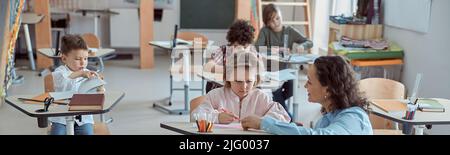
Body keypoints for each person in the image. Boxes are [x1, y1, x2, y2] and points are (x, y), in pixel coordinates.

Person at [241, 56, 373, 135]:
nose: (305, 86)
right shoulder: (326, 119)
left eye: (309, 82)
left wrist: (265, 123)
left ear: (328, 90)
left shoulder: (354, 117)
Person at [193, 51, 290, 124]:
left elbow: (284, 117)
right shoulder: (216, 95)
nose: (244, 87)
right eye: (238, 81)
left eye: (249, 81)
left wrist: (261, 121)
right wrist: (217, 117)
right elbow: (195, 116)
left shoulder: (261, 97)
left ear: (256, 79)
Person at [254, 4, 314, 113]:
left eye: (277, 18)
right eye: (271, 21)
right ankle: (289, 119)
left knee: (292, 89)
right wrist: (275, 50)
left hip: (286, 71)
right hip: (270, 71)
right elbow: (257, 48)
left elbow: (309, 42)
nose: (276, 22)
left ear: (281, 16)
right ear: (266, 23)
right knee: (276, 91)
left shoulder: (289, 31)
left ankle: (273, 103)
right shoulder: (265, 31)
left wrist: (302, 46)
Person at [49, 34, 105, 135]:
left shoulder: (87, 73)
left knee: (87, 133)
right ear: (64, 58)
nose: (83, 63)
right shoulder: (59, 72)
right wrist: (80, 73)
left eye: (86, 58)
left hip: (83, 118)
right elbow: (64, 81)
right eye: (78, 59)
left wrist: (99, 85)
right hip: (61, 118)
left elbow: (98, 95)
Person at [203, 19, 257, 93]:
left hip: (241, 91)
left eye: (244, 47)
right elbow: (207, 67)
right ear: (231, 42)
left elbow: (258, 69)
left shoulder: (252, 51)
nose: (240, 50)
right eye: (236, 46)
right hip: (219, 91)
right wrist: (230, 70)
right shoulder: (224, 50)